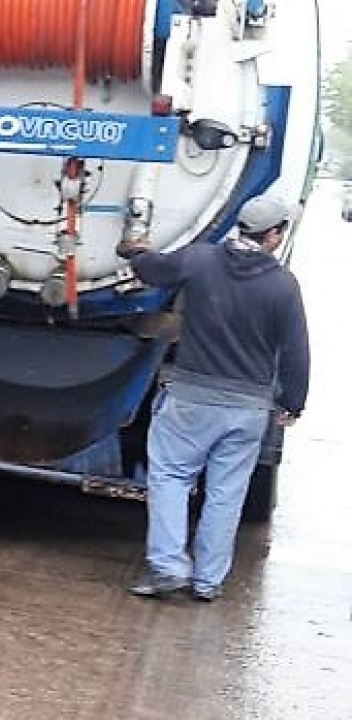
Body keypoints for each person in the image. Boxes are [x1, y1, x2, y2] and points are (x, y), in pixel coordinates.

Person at [119, 193, 310, 601]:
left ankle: (168, 567)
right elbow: (296, 351)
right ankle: (207, 582)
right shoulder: (283, 286)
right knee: (226, 492)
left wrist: (135, 252)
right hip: (248, 409)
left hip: (191, 399)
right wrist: (293, 402)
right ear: (274, 236)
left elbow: (153, 269)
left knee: (170, 477)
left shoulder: (201, 260)